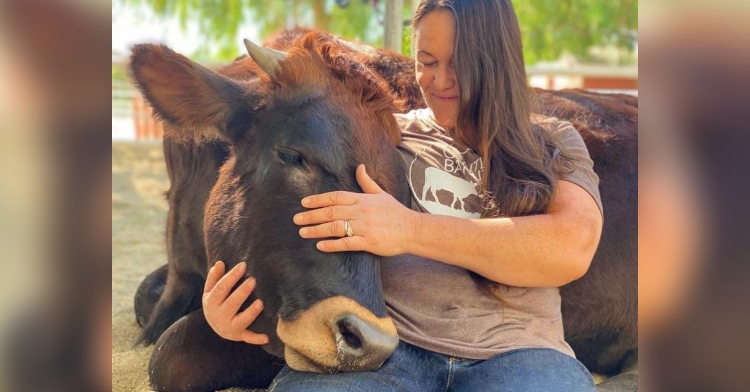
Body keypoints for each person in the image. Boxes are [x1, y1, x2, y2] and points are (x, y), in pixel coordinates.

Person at [202, 0, 603, 390]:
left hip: (521, 356)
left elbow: (570, 248)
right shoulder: (380, 135)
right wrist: (228, 316)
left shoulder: (553, 140)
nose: (440, 81)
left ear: (498, 61)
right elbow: (279, 218)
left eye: (460, 64)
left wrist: (408, 229)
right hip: (386, 354)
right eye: (427, 62)